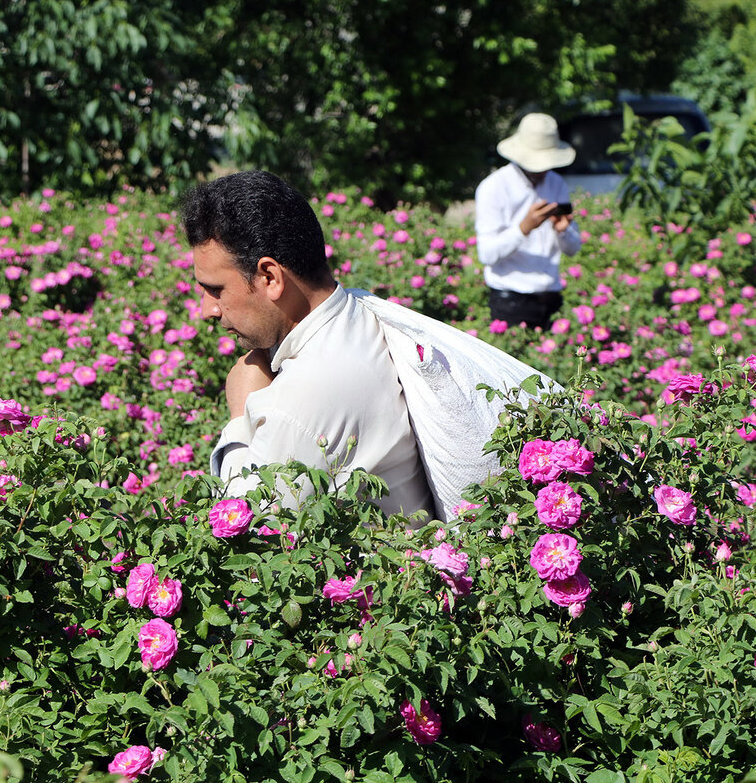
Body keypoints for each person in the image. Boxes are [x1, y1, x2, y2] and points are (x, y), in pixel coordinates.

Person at [181, 170, 558, 523]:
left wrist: (238, 418)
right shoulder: (356, 318)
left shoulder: (302, 398)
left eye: (216, 290)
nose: (207, 311)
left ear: (269, 277)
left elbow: (246, 529)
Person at [474, 112, 582, 330]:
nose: (542, 170)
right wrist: (523, 228)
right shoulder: (494, 187)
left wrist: (564, 231)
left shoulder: (556, 183)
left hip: (551, 298)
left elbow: (573, 248)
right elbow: (486, 254)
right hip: (511, 302)